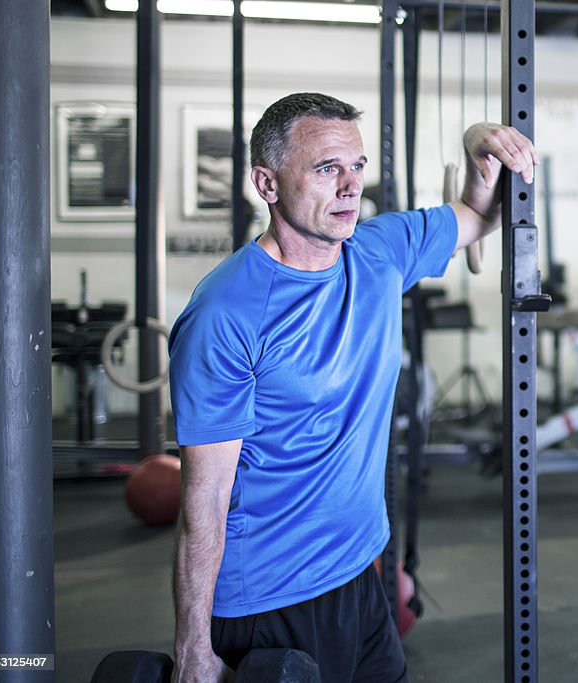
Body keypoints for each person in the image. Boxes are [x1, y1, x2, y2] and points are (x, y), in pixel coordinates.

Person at [167, 92, 538, 683]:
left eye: (358, 166)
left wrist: (475, 143)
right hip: (271, 596)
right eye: (326, 169)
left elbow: (480, 215)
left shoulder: (379, 251)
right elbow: (203, 501)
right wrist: (191, 649)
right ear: (267, 184)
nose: (350, 188)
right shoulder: (224, 314)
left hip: (361, 572)